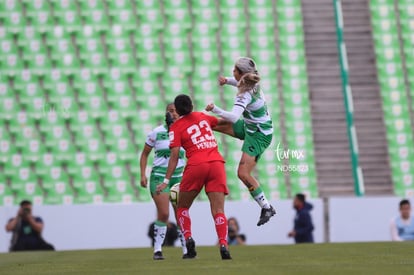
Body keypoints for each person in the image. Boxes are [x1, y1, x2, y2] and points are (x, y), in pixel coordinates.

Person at [156, 94, 232, 260]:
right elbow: (222, 124)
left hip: (196, 165)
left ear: (177, 109)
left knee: (182, 206)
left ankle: (189, 239)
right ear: (191, 105)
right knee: (218, 210)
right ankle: (224, 245)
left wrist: (166, 180)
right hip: (217, 163)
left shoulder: (176, 128)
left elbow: (174, 157)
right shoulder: (202, 116)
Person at [205, 57, 276, 226]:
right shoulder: (252, 82)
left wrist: (215, 109)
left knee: (243, 173)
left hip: (259, 135)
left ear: (242, 74)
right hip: (252, 127)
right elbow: (239, 81)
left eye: (235, 70)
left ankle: (266, 207)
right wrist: (227, 81)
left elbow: (234, 116)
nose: (232, 72)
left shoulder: (244, 95)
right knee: (212, 124)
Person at [140, 103, 188, 260]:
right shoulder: (156, 132)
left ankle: (186, 250)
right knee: (164, 213)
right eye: (171, 111)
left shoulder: (185, 132)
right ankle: (158, 250)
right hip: (159, 176)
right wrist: (143, 174)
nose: (174, 114)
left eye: (176, 111)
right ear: (166, 113)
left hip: (178, 177)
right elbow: (145, 154)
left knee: (180, 213)